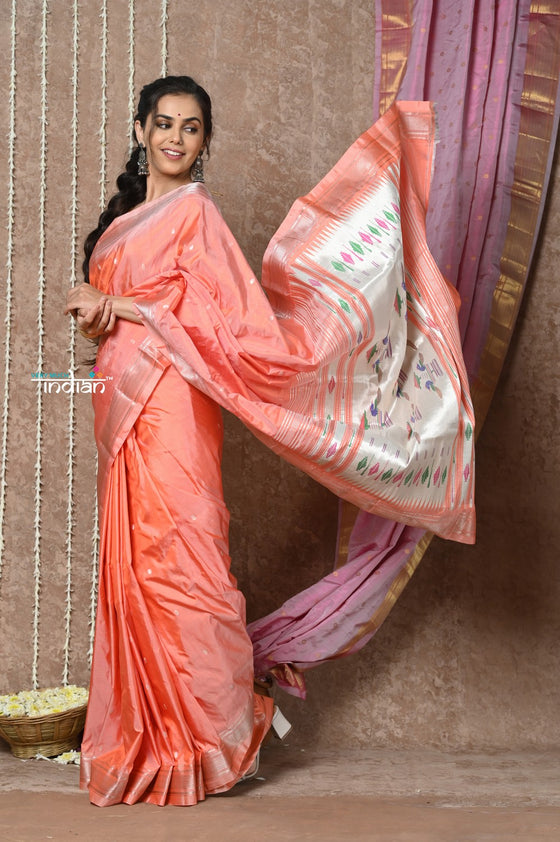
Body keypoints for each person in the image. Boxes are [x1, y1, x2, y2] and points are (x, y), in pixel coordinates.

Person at [65, 75, 475, 807]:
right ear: (140, 131)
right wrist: (98, 315)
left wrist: (116, 303)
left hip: (174, 404)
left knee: (184, 558)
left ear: (204, 142)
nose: (175, 138)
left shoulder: (198, 216)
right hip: (119, 405)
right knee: (134, 566)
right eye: (164, 123)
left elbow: (227, 325)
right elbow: (117, 320)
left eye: (191, 128)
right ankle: (148, 734)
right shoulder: (125, 220)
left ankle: (211, 739)